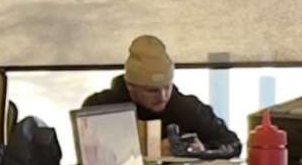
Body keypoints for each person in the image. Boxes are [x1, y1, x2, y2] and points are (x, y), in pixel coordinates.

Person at [79, 33, 240, 155]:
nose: (163, 96)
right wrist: (152, 151)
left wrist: (203, 149)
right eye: (152, 90)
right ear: (130, 86)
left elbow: (233, 144)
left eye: (167, 87)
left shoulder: (189, 109)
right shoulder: (100, 108)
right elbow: (91, 157)